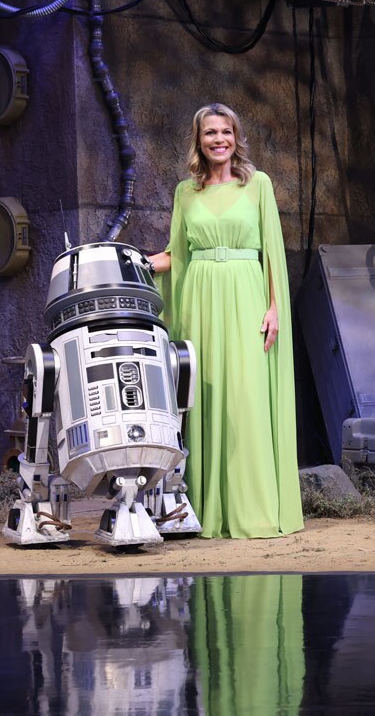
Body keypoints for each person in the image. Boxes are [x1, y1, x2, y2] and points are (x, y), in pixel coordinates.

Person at [147, 103, 304, 539]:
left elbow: (271, 250)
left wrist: (274, 308)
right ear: (198, 141)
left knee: (245, 398)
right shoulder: (185, 192)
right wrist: (134, 264)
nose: (219, 140)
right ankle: (200, 509)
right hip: (200, 300)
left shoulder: (258, 186)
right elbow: (176, 253)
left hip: (246, 295)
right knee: (206, 395)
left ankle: (251, 509)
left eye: (226, 132)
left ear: (237, 138)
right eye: (210, 133)